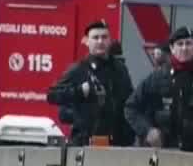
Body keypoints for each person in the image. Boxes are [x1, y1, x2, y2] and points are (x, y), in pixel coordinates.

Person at [125, 26, 193, 151]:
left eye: (189, 43)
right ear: (172, 48)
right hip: (164, 151)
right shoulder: (158, 77)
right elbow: (131, 107)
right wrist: (147, 130)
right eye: (180, 44)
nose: (184, 48)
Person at [47, 19, 135, 147]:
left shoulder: (120, 69)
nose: (100, 41)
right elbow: (52, 95)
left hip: (117, 142)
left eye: (104, 37)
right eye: (95, 38)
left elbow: (129, 99)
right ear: (87, 41)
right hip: (86, 142)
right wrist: (79, 91)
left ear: (110, 40)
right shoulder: (79, 69)